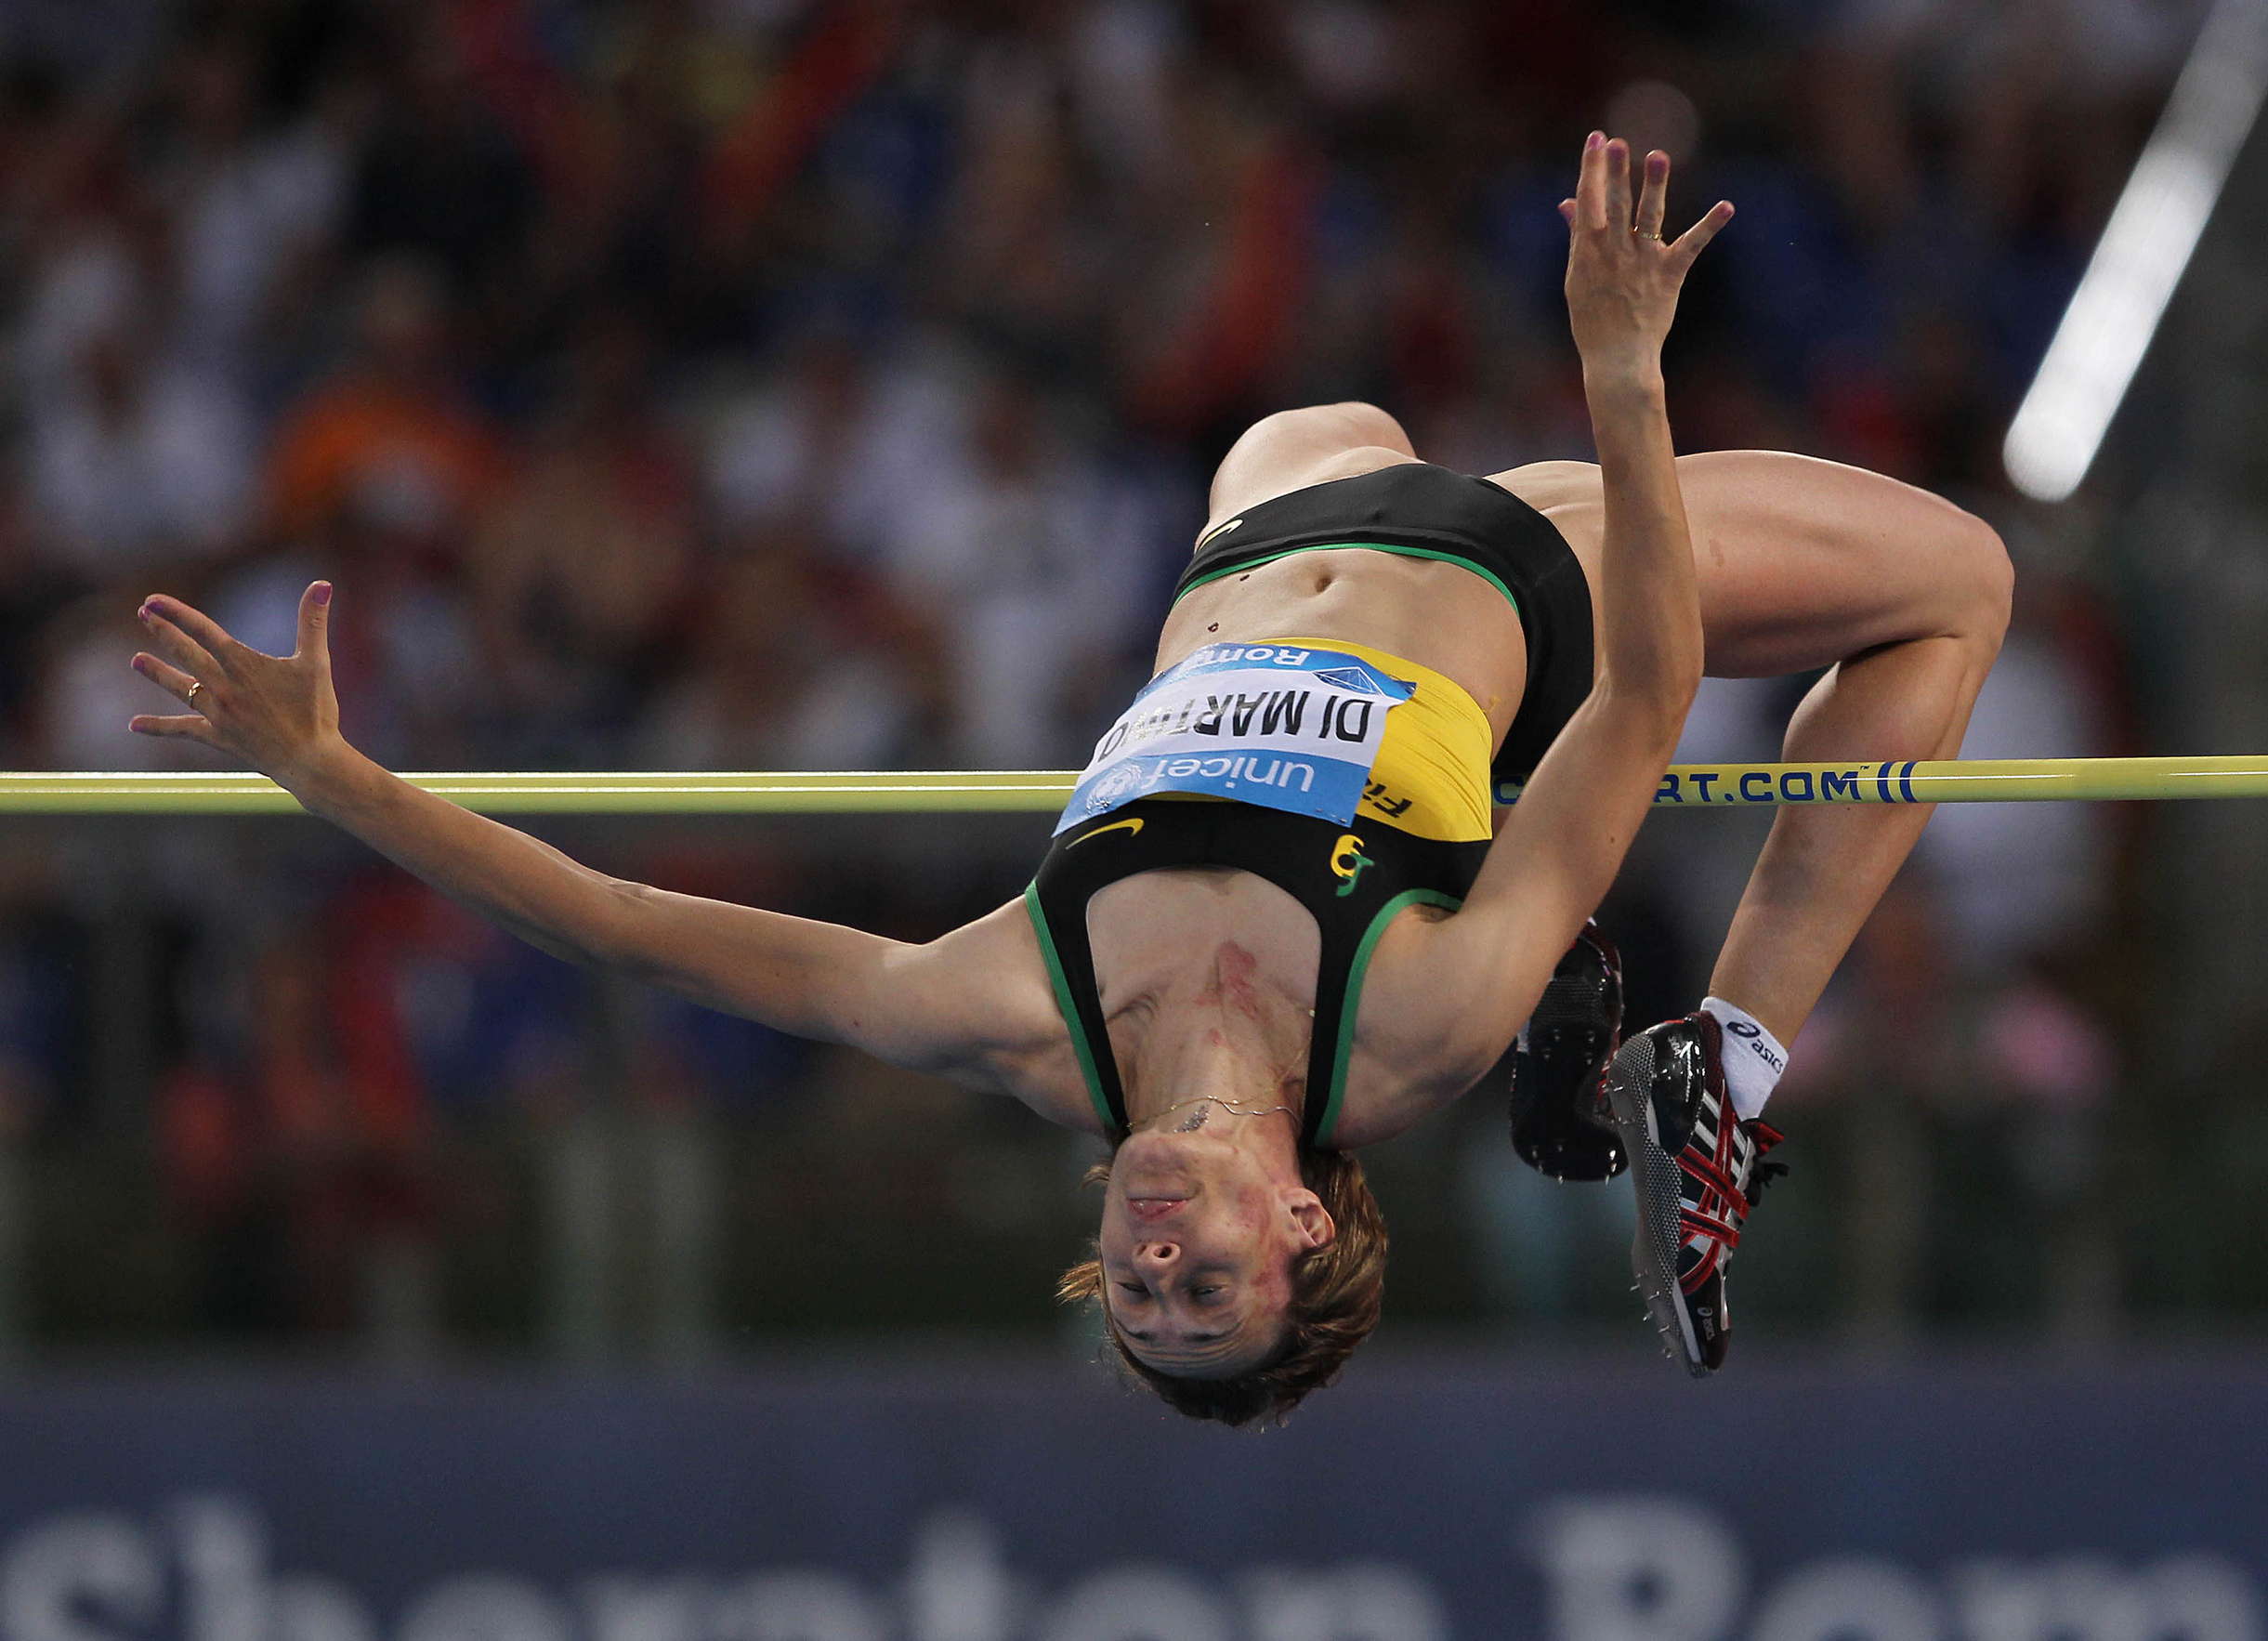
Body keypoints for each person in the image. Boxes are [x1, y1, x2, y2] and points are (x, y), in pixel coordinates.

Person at [127, 136, 2009, 1424]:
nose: (1157, 1260)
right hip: (1526, 571)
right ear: (1301, 1230)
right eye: (1207, 1288)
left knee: (1326, 411)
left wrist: (333, 775)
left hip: (1270, 513)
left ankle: (1568, 930)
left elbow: (623, 921)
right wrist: (1625, 378)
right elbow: (1651, 696)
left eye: (1138, 1295)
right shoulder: (1409, 1029)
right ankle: (1725, 1062)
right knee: (1958, 586)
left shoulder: (1017, 1020)